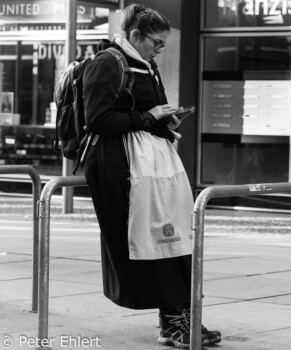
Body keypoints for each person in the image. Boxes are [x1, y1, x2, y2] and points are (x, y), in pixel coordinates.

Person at [82, 4, 221, 348]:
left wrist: (164, 121)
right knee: (150, 243)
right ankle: (174, 321)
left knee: (172, 241)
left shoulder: (147, 65)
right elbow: (97, 120)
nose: (159, 49)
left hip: (154, 164)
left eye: (163, 45)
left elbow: (142, 114)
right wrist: (148, 117)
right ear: (134, 36)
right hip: (125, 168)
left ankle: (180, 317)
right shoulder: (107, 63)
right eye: (156, 43)